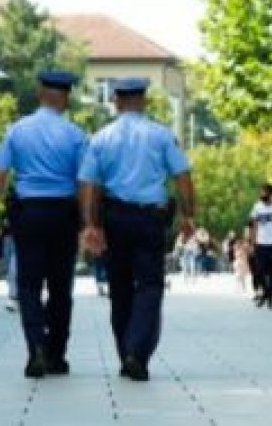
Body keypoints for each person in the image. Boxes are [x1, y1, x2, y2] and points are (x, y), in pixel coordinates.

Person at [79, 77, 195, 382]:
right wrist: (188, 215)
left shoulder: (101, 137)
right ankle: (136, 353)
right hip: (150, 220)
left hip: (114, 218)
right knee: (150, 286)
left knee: (119, 288)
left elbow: (89, 185)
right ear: (143, 101)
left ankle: (126, 352)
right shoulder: (161, 136)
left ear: (116, 101)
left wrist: (90, 225)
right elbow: (182, 177)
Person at [0, 70, 86, 378]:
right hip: (63, 215)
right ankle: (56, 355)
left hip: (28, 214)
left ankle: (36, 350)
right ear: (65, 98)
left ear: (39, 93)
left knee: (28, 285)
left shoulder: (16, 131)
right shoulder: (76, 135)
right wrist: (89, 222)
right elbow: (85, 182)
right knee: (60, 287)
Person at [247, 183, 272, 309]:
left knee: (271, 272)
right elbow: (251, 225)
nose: (261, 194)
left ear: (271, 194)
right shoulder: (256, 207)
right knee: (259, 271)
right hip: (260, 243)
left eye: (264, 192)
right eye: (261, 192)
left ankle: (270, 300)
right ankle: (266, 293)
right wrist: (251, 243)